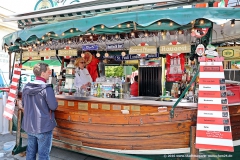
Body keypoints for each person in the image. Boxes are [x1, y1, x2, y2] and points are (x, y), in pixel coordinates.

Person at [21, 63, 58, 160]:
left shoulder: (26, 87)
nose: (49, 73)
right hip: (43, 126)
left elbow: (24, 105)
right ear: (42, 73)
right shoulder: (47, 88)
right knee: (43, 155)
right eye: (48, 71)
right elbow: (53, 106)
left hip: (30, 125)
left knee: (30, 152)